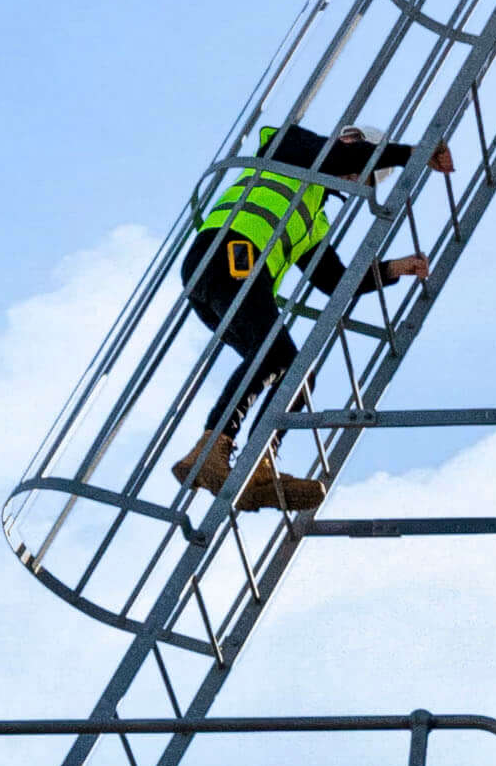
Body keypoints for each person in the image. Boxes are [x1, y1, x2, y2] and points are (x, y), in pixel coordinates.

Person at [165, 119, 425, 509]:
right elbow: (335, 155)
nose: (355, 179)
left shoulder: (313, 214)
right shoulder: (290, 147)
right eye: (361, 168)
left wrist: (395, 269)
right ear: (351, 142)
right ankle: (211, 451)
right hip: (229, 252)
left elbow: (336, 281)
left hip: (230, 271)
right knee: (275, 355)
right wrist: (411, 154)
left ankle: (257, 464)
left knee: (295, 370)